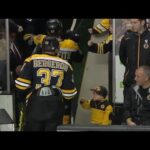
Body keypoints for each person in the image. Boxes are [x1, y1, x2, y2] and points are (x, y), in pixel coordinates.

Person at [15, 36, 77, 131]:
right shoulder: (66, 65)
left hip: (35, 105)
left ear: (42, 47)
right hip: (55, 107)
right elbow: (69, 95)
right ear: (57, 49)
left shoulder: (32, 59)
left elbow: (21, 86)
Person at [119, 19, 150, 100]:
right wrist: (131, 69)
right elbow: (122, 57)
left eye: (135, 22)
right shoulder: (126, 38)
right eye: (131, 22)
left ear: (142, 22)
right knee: (128, 110)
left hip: (147, 83)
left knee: (145, 110)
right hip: (130, 82)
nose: (132, 25)